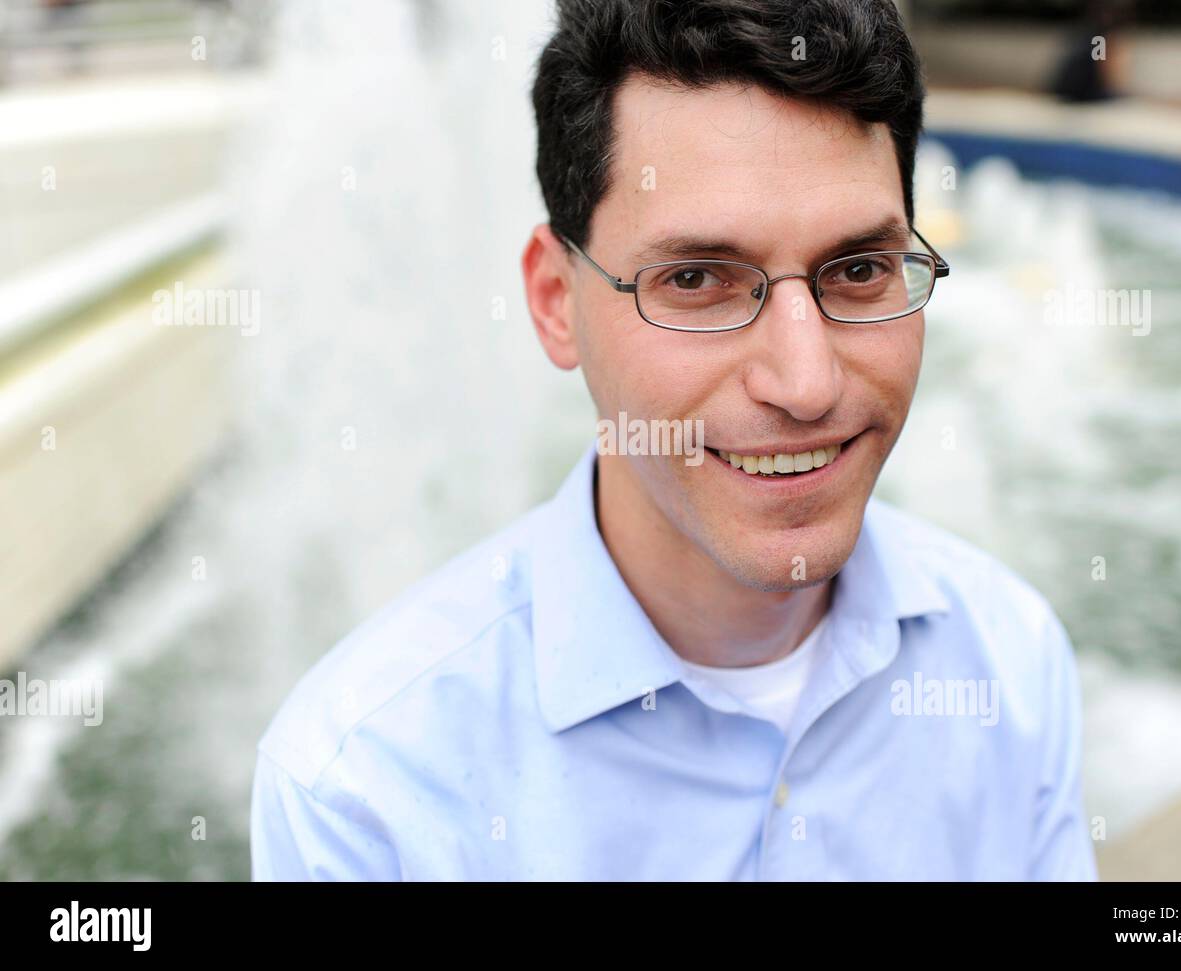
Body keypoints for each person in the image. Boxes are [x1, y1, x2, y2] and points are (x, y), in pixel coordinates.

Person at [251, 0, 1097, 881]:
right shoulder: (364, 792)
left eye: (858, 270)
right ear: (553, 299)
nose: (807, 384)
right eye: (696, 279)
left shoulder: (1013, 661)